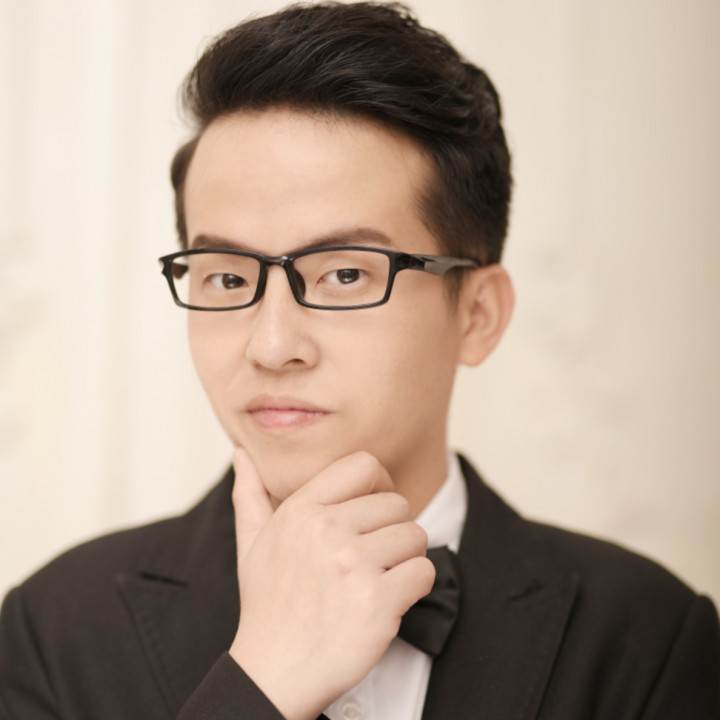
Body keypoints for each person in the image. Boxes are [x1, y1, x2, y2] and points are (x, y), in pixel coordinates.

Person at [1, 2, 718, 719]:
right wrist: (261, 683)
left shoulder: (649, 637)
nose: (271, 346)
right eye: (227, 277)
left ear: (478, 314)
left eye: (344, 274)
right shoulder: (54, 628)